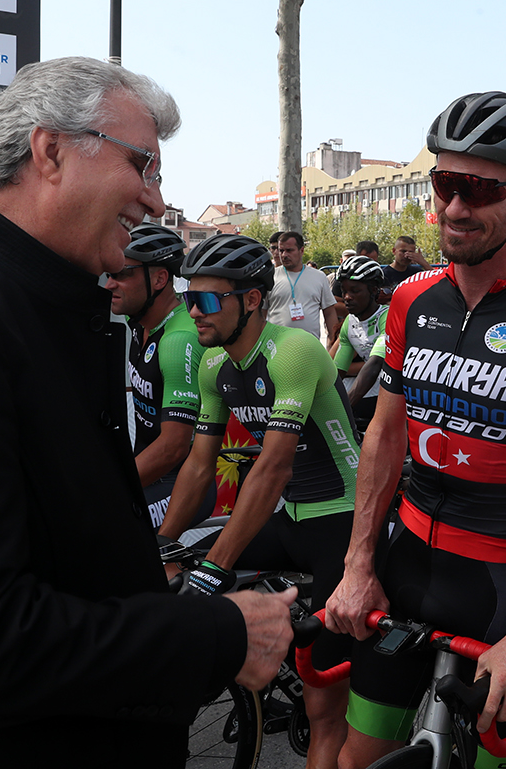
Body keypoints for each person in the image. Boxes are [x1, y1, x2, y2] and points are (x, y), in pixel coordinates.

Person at [0, 57, 294, 768]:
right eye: (145, 166)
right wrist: (216, 634)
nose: (156, 201)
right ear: (50, 152)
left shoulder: (45, 308)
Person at [327, 91, 506, 769]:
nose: (455, 206)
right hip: (409, 561)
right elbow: (385, 439)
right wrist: (357, 565)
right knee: (356, 758)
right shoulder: (413, 299)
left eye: (478, 189)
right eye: (446, 184)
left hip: (501, 586)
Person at [159, 233, 361, 769]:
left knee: (325, 712)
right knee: (174, 569)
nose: (193, 312)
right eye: (187, 298)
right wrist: (164, 543)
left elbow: (273, 468)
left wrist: (216, 567)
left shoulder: (293, 351)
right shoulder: (213, 366)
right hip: (291, 519)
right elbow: (199, 465)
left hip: (341, 523)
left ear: (251, 300)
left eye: (206, 300)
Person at [105, 224, 216, 527]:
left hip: (183, 483)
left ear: (159, 278)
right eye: (109, 274)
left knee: (99, 525)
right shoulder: (139, 323)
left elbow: (174, 447)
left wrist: (106, 489)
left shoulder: (178, 340)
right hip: (150, 474)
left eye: (122, 274)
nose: (109, 285)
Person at [330, 256, 389, 431]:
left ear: (373, 290)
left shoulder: (388, 317)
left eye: (355, 291)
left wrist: (345, 407)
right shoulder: (349, 323)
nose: (347, 297)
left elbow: (375, 365)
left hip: (396, 394)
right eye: (344, 290)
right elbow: (338, 370)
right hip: (371, 393)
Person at [267, 231, 343, 342]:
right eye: (281, 250)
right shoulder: (270, 277)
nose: (284, 255)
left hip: (310, 347)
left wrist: (333, 341)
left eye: (289, 250)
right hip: (277, 347)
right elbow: (261, 315)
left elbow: (329, 312)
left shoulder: (319, 277)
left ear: (301, 250)